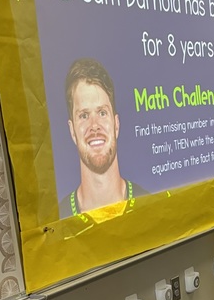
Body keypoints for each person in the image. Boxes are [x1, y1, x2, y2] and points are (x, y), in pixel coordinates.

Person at [58, 58, 147, 217]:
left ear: (116, 124)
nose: (94, 125)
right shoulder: (58, 220)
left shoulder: (149, 205)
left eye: (102, 113)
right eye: (84, 115)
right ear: (72, 130)